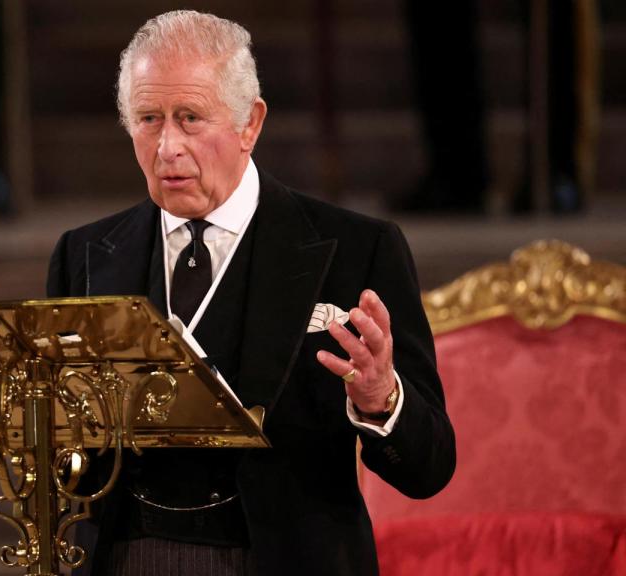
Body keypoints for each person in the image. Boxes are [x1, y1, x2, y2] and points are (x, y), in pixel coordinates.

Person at [46, 10, 455, 576]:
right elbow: (62, 462)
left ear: (250, 123)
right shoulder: (83, 255)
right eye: (148, 118)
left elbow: (430, 467)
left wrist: (381, 399)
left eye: (190, 118)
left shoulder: (357, 250)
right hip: (125, 557)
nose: (167, 147)